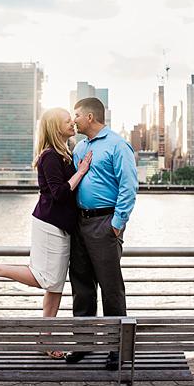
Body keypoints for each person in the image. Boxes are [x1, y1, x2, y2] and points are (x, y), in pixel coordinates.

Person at [0, 107, 92, 359]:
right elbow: (58, 194)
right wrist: (81, 172)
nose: (72, 123)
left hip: (63, 226)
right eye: (66, 120)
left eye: (72, 118)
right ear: (54, 127)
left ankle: (44, 339)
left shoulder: (65, 153)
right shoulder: (50, 156)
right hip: (49, 225)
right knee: (47, 279)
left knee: (56, 286)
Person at [65, 97, 138, 370]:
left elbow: (128, 187)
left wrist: (117, 224)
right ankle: (83, 346)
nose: (74, 120)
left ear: (90, 117)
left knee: (111, 290)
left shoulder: (118, 145)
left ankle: (116, 350)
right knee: (81, 288)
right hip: (80, 224)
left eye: (77, 115)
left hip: (105, 223)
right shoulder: (80, 147)